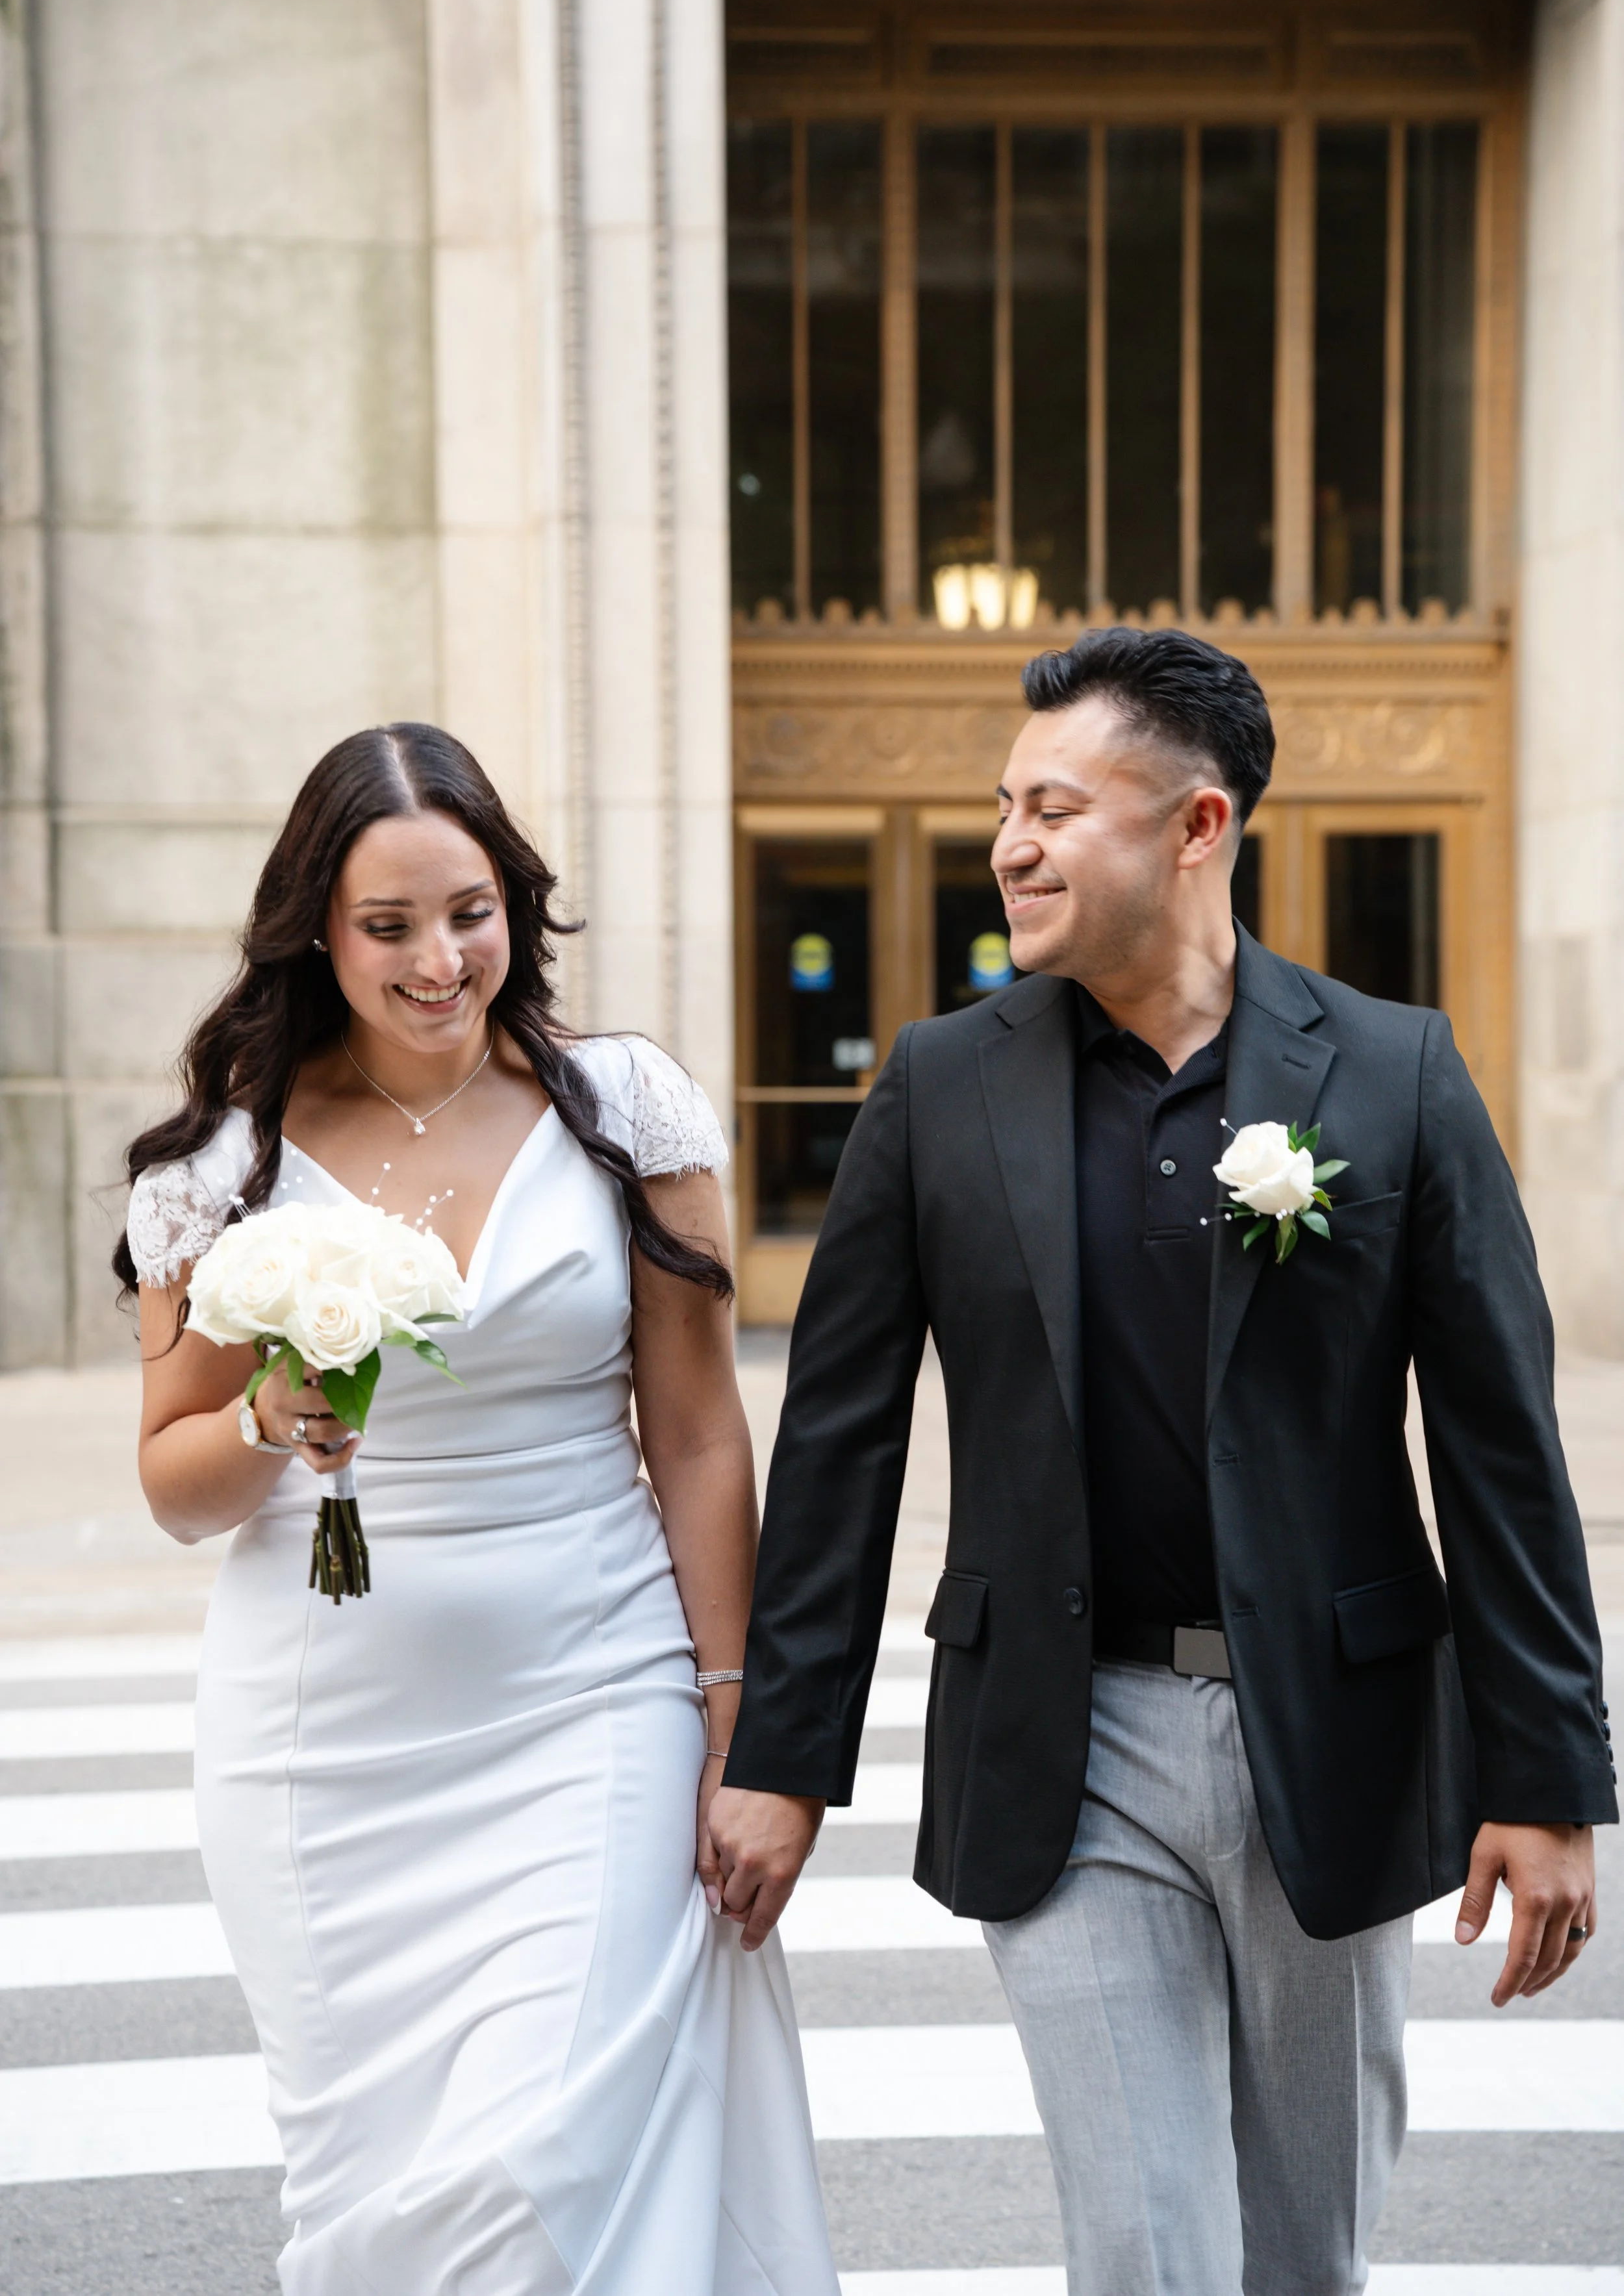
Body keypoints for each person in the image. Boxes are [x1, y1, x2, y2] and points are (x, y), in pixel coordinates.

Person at [709, 627, 1617, 2296]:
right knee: (1145, 2250)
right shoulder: (937, 1086)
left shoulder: (1396, 1075)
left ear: (1196, 828)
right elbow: (839, 1438)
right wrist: (782, 1751)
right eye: (1002, 806)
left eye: (1054, 806)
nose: (1008, 844)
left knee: (1300, 2255)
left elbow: (1499, 1447)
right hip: (1069, 1741)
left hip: (1324, 1738)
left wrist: (1545, 1776)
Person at [117, 723, 836, 2296]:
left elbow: (702, 1439)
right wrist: (265, 1419)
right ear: (317, 928)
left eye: (471, 912)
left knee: (543, 2155)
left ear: (515, 903)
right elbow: (175, 1479)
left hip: (593, 1699)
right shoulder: (228, 1160)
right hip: (322, 1748)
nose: (440, 960)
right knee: (380, 2198)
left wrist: (740, 1725)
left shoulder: (622, 1113)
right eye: (390, 927)